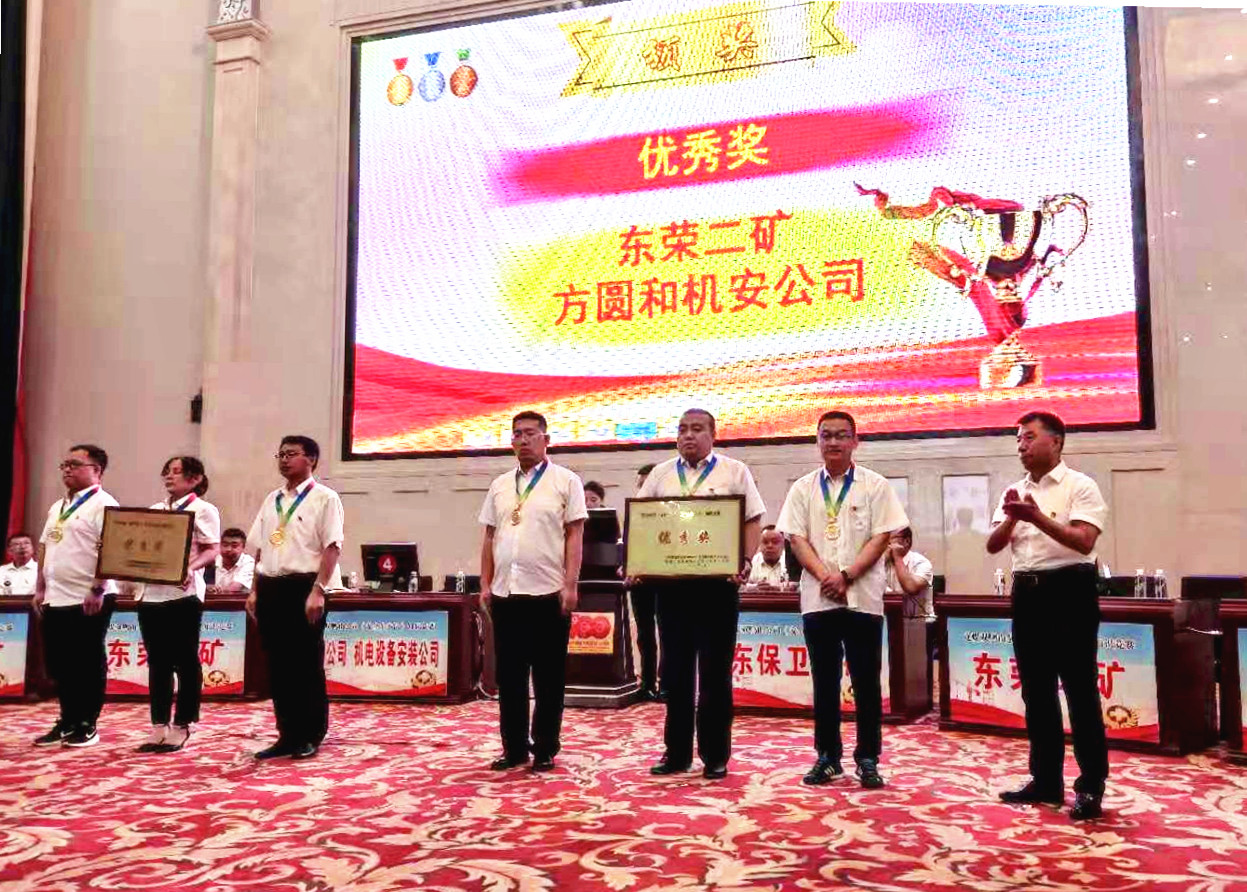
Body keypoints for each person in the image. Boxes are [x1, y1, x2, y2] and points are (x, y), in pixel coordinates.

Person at [987, 410, 1109, 821]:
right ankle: (1045, 780)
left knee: (1080, 691)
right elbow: (992, 545)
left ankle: (1090, 787)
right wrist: (1012, 517)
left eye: (1029, 437)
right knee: (1036, 694)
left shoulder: (1081, 486)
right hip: (1027, 594)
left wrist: (1035, 516)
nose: (1021, 445)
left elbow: (1084, 541)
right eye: (1018, 439)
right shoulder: (1015, 491)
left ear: (1056, 441)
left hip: (1070, 590)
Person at [777, 411, 907, 789]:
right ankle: (827, 757)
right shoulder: (802, 488)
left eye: (841, 435)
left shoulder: (875, 485)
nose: (833, 442)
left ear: (855, 441)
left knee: (866, 681)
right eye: (826, 435)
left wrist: (846, 576)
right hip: (819, 600)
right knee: (824, 681)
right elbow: (797, 539)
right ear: (817, 441)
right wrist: (825, 577)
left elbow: (881, 538)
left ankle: (868, 757)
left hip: (862, 598)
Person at [636, 409, 765, 779]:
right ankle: (676, 754)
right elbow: (642, 519)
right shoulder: (661, 474)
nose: (688, 436)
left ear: (713, 434)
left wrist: (745, 560)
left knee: (715, 674)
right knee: (675, 674)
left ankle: (715, 756)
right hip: (671, 588)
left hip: (717, 588)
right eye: (682, 430)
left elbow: (752, 519)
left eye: (696, 429)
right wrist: (637, 562)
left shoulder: (734, 471)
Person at [479, 411, 587, 772]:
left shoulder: (566, 481)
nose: (522, 440)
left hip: (548, 593)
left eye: (530, 433)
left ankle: (544, 748)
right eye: (516, 435)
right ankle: (513, 749)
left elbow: (575, 535)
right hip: (506, 594)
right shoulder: (499, 485)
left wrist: (570, 584)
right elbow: (490, 537)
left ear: (546, 439)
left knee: (548, 678)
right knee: (509, 678)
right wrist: (485, 584)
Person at [246, 435, 344, 761]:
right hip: (271, 586)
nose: (285, 460)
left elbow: (332, 547)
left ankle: (310, 734)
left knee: (305, 664)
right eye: (281, 454)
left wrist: (319, 590)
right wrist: (254, 589)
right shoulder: (272, 499)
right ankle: (286, 734)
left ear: (311, 459)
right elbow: (261, 547)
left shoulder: (325, 498)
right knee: (277, 664)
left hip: (304, 587)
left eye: (292, 454)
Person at [31, 444, 120, 748]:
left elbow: (112, 550)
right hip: (55, 596)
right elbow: (45, 546)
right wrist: (40, 587)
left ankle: (87, 722)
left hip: (89, 596)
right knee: (60, 663)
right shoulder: (58, 506)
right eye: (64, 465)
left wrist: (97, 588)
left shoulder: (105, 504)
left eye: (74, 464)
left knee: (87, 662)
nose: (67, 469)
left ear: (96, 470)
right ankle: (67, 719)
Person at [134, 456, 221, 753]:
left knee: (185, 661)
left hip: (183, 595)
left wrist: (190, 568)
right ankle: (159, 724)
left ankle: (183, 723)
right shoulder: (154, 511)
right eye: (166, 472)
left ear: (195, 478)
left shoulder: (204, 509)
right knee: (157, 662)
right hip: (150, 594)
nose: (169, 477)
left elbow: (212, 549)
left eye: (176, 472)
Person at [630, 462, 662, 701]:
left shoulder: (670, 513)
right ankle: (647, 684)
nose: (643, 490)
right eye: (640, 485)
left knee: (669, 633)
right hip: (640, 581)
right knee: (644, 634)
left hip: (666, 581)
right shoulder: (634, 515)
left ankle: (668, 684)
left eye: (647, 484)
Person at [885, 527, 934, 620]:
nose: (887, 543)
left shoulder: (921, 563)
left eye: (890, 538)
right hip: (889, 620)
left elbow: (911, 588)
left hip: (920, 621)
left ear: (906, 541)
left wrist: (898, 557)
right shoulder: (884, 562)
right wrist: (880, 561)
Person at [207, 528, 255, 596]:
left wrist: (215, 590)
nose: (228, 549)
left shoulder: (248, 563)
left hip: (238, 601)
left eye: (234, 546)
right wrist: (207, 587)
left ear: (243, 547)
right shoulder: (212, 561)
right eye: (225, 545)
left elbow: (234, 588)